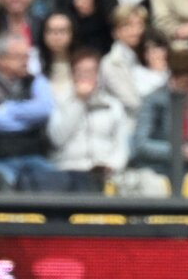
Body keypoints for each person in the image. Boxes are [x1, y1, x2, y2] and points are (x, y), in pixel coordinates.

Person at [0, 31, 60, 190]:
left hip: (34, 156)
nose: (25, 62)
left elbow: (44, 110)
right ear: (0, 59)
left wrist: (7, 109)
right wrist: (29, 120)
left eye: (26, 56)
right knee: (0, 185)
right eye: (19, 57)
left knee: (55, 182)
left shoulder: (37, 81)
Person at [130, 46, 188, 176]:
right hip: (161, 169)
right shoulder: (153, 100)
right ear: (173, 77)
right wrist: (176, 151)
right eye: (186, 83)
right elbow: (141, 144)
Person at [48, 48, 129, 191]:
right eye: (80, 71)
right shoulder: (60, 102)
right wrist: (79, 102)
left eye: (91, 71)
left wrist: (113, 165)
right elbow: (57, 138)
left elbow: (122, 144)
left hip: (104, 172)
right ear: (72, 74)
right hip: (69, 169)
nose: (86, 76)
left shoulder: (113, 105)